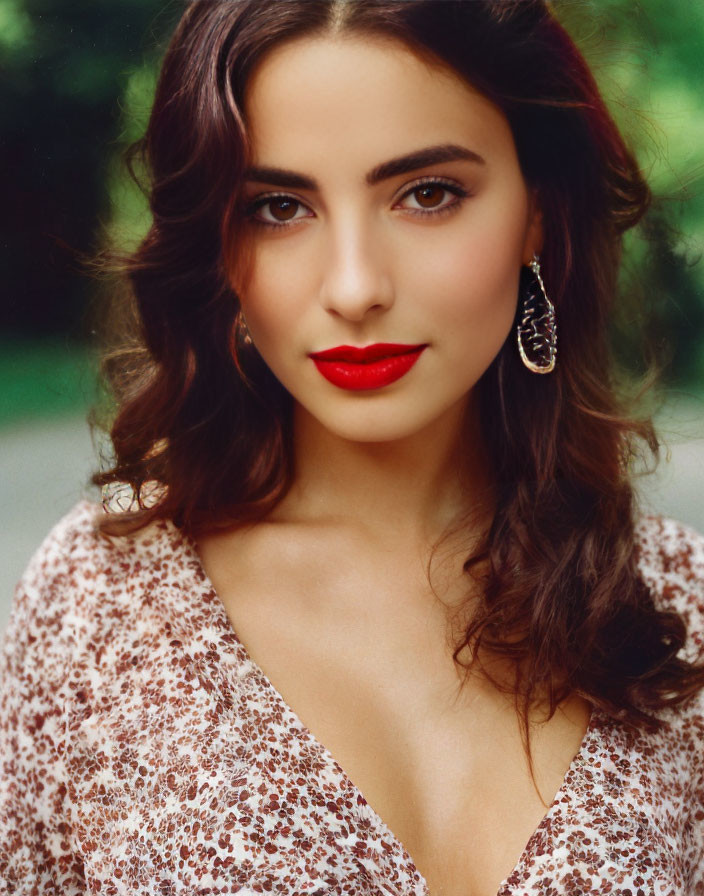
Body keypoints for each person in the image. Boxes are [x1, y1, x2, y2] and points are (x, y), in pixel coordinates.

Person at [1, 1, 703, 893]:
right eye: (278, 207)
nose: (355, 286)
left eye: (428, 194)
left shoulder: (680, 614)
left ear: (538, 213)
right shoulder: (99, 606)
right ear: (216, 248)